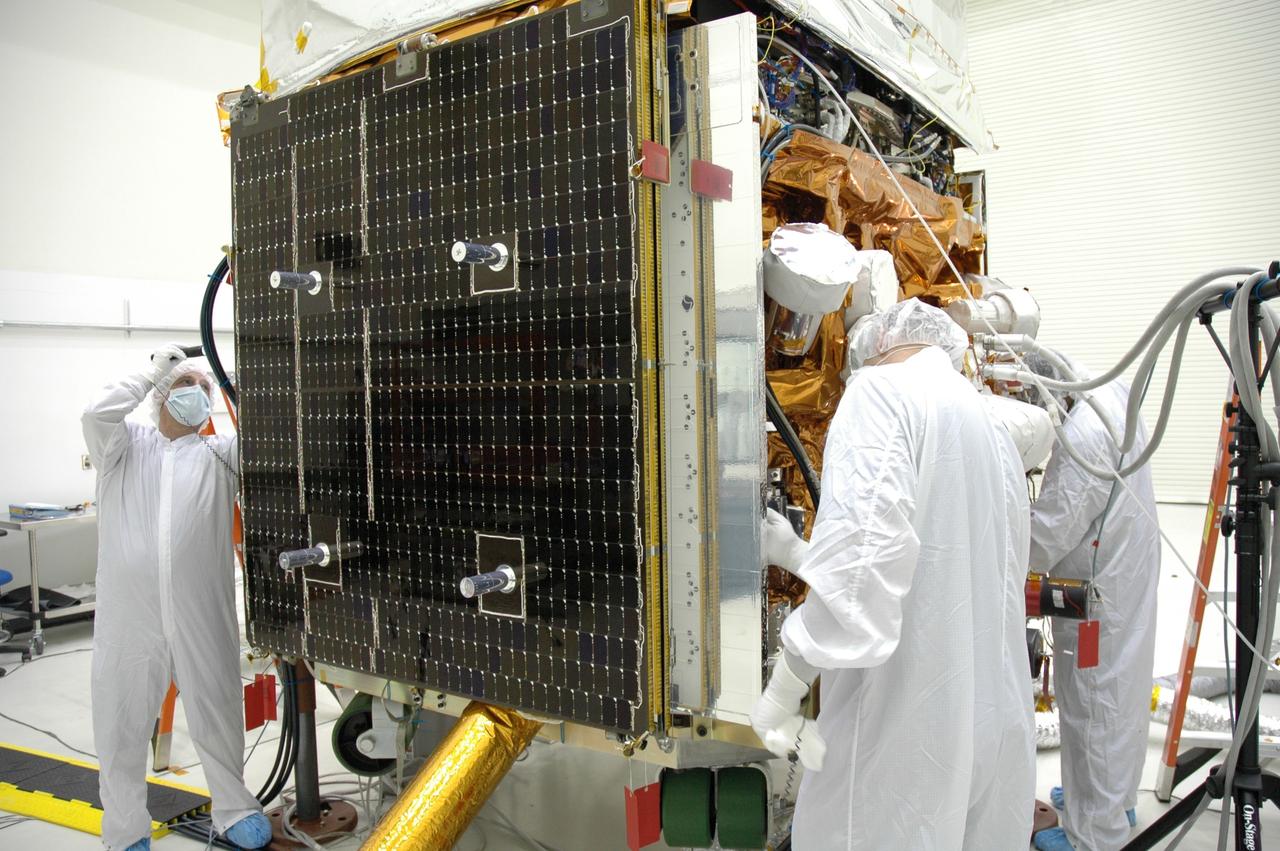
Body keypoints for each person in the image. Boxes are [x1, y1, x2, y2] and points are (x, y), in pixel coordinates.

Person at [754, 299, 1035, 849]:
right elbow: (936, 568)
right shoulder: (991, 426)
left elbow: (858, 592)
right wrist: (800, 555)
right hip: (988, 732)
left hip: (903, 744)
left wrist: (780, 694)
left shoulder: (881, 394)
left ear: (878, 343)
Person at [83, 344, 271, 851]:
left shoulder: (219, 453)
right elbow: (95, 412)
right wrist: (151, 374)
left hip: (200, 613)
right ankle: (124, 830)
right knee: (120, 724)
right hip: (130, 620)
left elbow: (275, 434)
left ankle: (234, 809)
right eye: (186, 388)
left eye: (205, 391)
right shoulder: (122, 448)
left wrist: (237, 386)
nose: (198, 398)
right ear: (161, 396)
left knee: (218, 712)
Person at [1024, 353, 1160, 851]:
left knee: (1093, 702)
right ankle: (1109, 797)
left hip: (1095, 599)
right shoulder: (1105, 390)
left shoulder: (1081, 436)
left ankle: (1095, 835)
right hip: (1125, 569)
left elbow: (1047, 535)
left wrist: (999, 538)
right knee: (1120, 696)